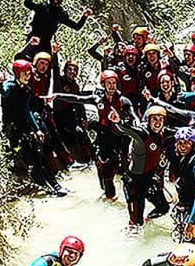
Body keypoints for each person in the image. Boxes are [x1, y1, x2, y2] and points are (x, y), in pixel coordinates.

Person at [51, 70, 135, 200]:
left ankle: (111, 197)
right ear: (103, 85)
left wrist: (125, 121)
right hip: (102, 137)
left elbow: (133, 118)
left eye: (114, 83)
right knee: (100, 167)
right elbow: (77, 98)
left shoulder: (124, 101)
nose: (112, 86)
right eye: (109, 83)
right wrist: (57, 96)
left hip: (118, 138)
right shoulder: (98, 99)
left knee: (110, 172)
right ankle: (106, 193)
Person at [0, 59, 66, 196]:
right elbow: (2, 91)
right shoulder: (9, 86)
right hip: (12, 129)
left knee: (39, 156)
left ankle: (55, 186)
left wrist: (37, 129)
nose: (28, 76)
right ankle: (48, 187)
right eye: (25, 73)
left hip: (24, 127)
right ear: (18, 73)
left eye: (29, 73)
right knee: (31, 159)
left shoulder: (27, 89)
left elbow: (27, 110)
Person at [109, 105, 170, 229]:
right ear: (148, 121)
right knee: (136, 225)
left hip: (149, 180)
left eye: (160, 119)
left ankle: (148, 219)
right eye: (154, 119)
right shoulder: (142, 134)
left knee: (163, 208)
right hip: (134, 183)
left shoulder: (164, 133)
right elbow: (128, 130)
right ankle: (132, 230)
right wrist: (118, 122)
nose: (158, 123)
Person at [23, 0, 92, 57]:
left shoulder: (60, 13)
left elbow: (77, 27)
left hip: (45, 43)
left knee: (48, 63)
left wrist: (84, 16)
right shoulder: (42, 6)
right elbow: (27, 4)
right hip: (33, 38)